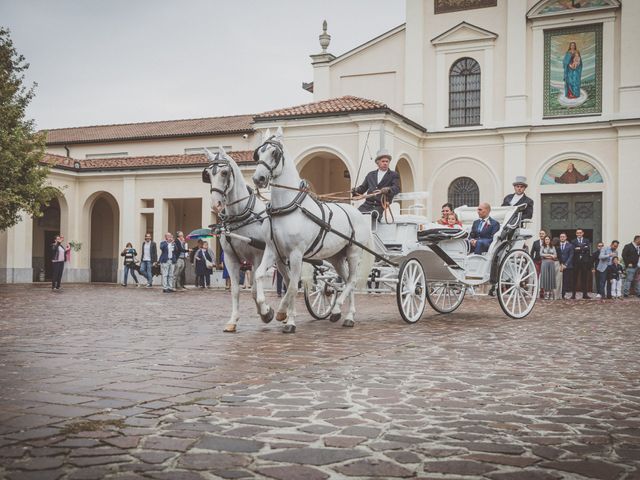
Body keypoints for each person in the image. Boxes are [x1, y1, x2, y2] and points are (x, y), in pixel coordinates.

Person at [352, 149, 401, 218]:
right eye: (383, 161)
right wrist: (356, 190)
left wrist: (388, 189)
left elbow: (397, 188)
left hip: (382, 205)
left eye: (387, 161)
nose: (385, 163)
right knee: (355, 215)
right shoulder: (370, 175)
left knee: (373, 215)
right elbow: (363, 188)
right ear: (378, 163)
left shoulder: (393, 175)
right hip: (367, 205)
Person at [571, 229, 592, 299]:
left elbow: (588, 249)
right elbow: (573, 249)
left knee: (584, 278)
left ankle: (585, 294)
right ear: (576, 234)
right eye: (577, 233)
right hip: (576, 262)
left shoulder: (587, 240)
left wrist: (579, 248)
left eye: (580, 233)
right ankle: (573, 295)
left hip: (584, 262)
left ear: (583, 233)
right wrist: (583, 248)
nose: (579, 234)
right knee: (574, 278)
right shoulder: (573, 241)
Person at [540, 236, 557, 300]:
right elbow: (541, 254)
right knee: (545, 277)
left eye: (548, 239)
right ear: (544, 240)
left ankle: (551, 292)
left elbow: (555, 256)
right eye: (546, 239)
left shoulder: (553, 247)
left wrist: (548, 256)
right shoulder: (542, 247)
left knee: (551, 277)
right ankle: (546, 293)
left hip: (551, 263)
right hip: (544, 263)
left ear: (550, 240)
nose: (547, 240)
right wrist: (550, 255)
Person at [557, 232, 574, 299]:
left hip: (567, 266)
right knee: (558, 280)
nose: (562, 238)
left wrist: (565, 264)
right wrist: (560, 264)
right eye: (561, 237)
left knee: (565, 281)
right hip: (558, 265)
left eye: (563, 236)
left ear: (566, 237)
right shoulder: (557, 245)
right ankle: (558, 294)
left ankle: (563, 294)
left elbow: (571, 255)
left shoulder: (570, 245)